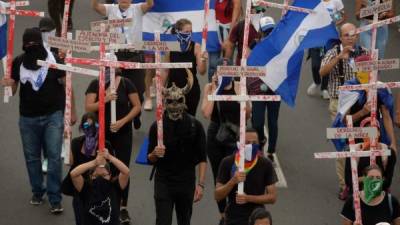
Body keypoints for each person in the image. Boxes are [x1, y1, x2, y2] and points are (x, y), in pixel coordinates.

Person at [0, 27, 74, 213]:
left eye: (35, 44)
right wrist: (8, 84)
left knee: (54, 157)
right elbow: (14, 89)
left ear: (41, 44)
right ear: (24, 46)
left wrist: (71, 110)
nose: (32, 47)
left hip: (53, 116)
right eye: (28, 44)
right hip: (27, 118)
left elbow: (68, 85)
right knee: (32, 158)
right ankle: (37, 191)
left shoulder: (54, 60)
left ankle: (55, 198)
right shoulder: (18, 62)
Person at [147, 73, 207, 225]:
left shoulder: (195, 126)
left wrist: (200, 184)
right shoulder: (157, 127)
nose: (174, 105)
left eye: (178, 100)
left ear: (184, 102)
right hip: (163, 181)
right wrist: (154, 153)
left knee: (184, 221)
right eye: (170, 101)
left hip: (186, 182)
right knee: (163, 221)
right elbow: (150, 158)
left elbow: (202, 158)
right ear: (165, 103)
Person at [85, 65, 141, 224]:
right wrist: (105, 99)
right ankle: (101, 201)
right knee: (101, 167)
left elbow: (137, 106)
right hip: (103, 133)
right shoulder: (96, 84)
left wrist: (123, 122)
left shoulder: (126, 83)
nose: (111, 72)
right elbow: (88, 107)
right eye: (107, 68)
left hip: (122, 133)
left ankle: (123, 207)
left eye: (113, 68)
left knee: (122, 168)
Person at [320, 23, 368, 200]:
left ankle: (363, 181)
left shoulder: (363, 52)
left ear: (357, 36)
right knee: (343, 143)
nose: (350, 37)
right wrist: (339, 57)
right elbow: (322, 72)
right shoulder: (333, 52)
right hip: (339, 105)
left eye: (353, 34)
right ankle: (345, 185)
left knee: (363, 142)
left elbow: (372, 74)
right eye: (346, 35)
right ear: (340, 37)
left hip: (360, 103)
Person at [91, 0, 154, 129]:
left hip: (135, 54)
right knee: (119, 89)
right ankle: (125, 119)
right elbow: (96, 6)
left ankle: (136, 113)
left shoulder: (137, 9)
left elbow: (149, 5)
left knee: (139, 89)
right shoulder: (111, 9)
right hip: (118, 55)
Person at [201, 58, 250, 224]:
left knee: (236, 173)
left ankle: (234, 209)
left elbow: (248, 113)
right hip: (216, 136)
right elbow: (206, 113)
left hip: (234, 136)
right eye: (220, 72)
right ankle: (223, 213)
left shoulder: (239, 87)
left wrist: (242, 98)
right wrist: (216, 89)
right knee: (219, 176)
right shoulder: (210, 87)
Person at [215, 128, 277, 225]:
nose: (251, 146)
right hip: (234, 218)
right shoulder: (227, 162)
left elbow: (272, 197)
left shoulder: (265, 164)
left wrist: (248, 198)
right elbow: (217, 195)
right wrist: (232, 181)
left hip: (257, 218)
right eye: (247, 143)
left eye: (254, 142)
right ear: (240, 144)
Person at [247, 16, 281, 161]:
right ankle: (260, 142)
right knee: (257, 122)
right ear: (260, 31)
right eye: (266, 31)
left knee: (273, 121)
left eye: (271, 31)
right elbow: (247, 63)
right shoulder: (254, 45)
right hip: (257, 89)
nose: (269, 34)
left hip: (274, 88)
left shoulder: (279, 45)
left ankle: (271, 151)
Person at [70, 148, 130, 225]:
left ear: (110, 175)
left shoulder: (115, 188)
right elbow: (73, 174)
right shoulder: (86, 188)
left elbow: (126, 172)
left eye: (104, 175)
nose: (100, 179)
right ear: (90, 176)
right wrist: (94, 162)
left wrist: (109, 157)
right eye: (96, 176)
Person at [165, 18, 208, 116]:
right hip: (173, 90)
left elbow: (202, 71)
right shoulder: (170, 47)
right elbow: (165, 70)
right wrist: (161, 89)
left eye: (190, 31)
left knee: (189, 119)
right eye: (186, 32)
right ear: (178, 32)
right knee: (172, 118)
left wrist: (204, 60)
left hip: (190, 89)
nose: (189, 34)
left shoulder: (196, 47)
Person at [343, 117, 396, 195]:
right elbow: (349, 181)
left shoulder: (388, 152)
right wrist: (369, 179)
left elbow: (387, 181)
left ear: (379, 133)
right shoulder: (353, 152)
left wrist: (365, 180)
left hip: (380, 193)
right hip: (358, 193)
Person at [307, 0, 346, 99]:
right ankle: (317, 82)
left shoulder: (336, 1)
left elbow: (342, 16)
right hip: (315, 37)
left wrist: (333, 22)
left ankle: (324, 88)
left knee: (327, 62)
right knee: (315, 65)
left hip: (330, 38)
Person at [208, 0, 241, 82]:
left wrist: (229, 39)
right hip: (214, 31)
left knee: (226, 64)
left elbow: (235, 20)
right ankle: (212, 88)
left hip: (228, 32)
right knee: (213, 64)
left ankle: (225, 89)